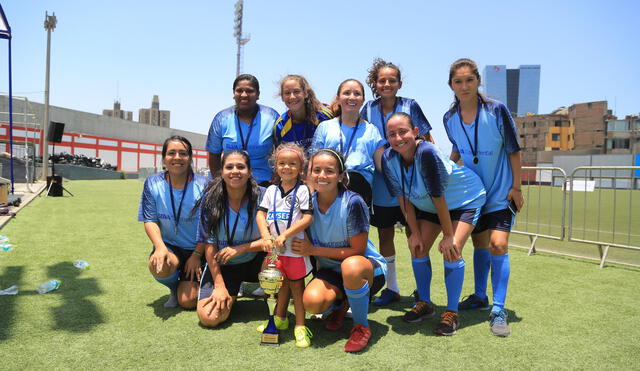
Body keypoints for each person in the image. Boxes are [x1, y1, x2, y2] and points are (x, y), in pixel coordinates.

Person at [381, 113, 486, 336]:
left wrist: (449, 236)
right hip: (430, 205)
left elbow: (439, 196)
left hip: (464, 200)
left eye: (403, 132)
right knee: (417, 246)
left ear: (415, 132)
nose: (398, 138)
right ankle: (425, 303)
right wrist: (415, 232)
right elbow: (402, 197)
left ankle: (451, 312)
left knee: (452, 249)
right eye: (392, 134)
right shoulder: (389, 158)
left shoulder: (426, 152)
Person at [443, 58, 524, 337]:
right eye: (458, 81)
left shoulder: (496, 110)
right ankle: (479, 296)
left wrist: (517, 187)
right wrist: (445, 172)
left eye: (469, 80)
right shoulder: (449, 118)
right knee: (479, 244)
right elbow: (457, 150)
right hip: (472, 194)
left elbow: (513, 149)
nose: (464, 86)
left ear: (478, 81)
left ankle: (498, 309)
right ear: (451, 85)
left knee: (497, 245)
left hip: (501, 191)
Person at [292, 149, 387, 353]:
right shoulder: (306, 203)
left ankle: (361, 327)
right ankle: (342, 304)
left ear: (341, 176)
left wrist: (312, 249)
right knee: (312, 303)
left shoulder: (353, 202)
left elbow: (357, 251)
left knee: (351, 267)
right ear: (309, 173)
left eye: (329, 171)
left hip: (365, 268)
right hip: (332, 271)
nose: (322, 176)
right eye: (316, 170)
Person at [361, 58, 433, 306]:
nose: (387, 84)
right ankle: (392, 288)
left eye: (392, 80)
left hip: (411, 184)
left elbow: (427, 138)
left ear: (400, 83)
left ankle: (422, 293)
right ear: (375, 83)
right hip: (382, 186)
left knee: (416, 234)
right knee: (385, 234)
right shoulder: (367, 109)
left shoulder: (410, 106)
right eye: (382, 80)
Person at [195, 150, 269, 327]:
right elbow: (210, 246)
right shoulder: (211, 199)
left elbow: (273, 239)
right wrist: (219, 285)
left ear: (249, 171)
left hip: (257, 260)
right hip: (225, 263)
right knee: (209, 318)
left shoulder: (264, 195)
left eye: (240, 167)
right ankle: (231, 291)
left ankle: (276, 301)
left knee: (278, 261)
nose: (235, 171)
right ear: (221, 172)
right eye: (229, 167)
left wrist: (241, 248)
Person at [138, 136, 209, 309]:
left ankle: (194, 283)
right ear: (164, 158)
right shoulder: (152, 183)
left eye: (183, 153)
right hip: (170, 246)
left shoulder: (204, 184)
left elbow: (209, 226)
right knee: (158, 265)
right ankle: (173, 288)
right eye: (171, 153)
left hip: (197, 248)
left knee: (188, 301)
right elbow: (150, 219)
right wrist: (160, 247)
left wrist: (197, 255)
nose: (177, 157)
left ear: (190, 158)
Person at [255, 143, 314, 348]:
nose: (286, 167)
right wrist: (265, 235)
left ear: (300, 167)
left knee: (297, 288)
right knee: (277, 287)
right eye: (282, 163)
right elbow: (261, 213)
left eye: (292, 164)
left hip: (294, 249)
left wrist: (285, 235)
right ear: (275, 166)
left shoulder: (303, 190)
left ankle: (300, 326)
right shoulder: (271, 190)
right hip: (275, 251)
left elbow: (307, 218)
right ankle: (279, 318)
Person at [310, 79, 385, 207]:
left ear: (363, 100)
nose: (352, 97)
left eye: (357, 94)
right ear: (338, 98)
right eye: (346, 93)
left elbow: (383, 166)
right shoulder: (325, 127)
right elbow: (313, 163)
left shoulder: (372, 130)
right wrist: (311, 195)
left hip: (360, 193)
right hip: (327, 191)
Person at [206, 74, 279, 186]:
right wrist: (218, 183)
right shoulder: (222, 118)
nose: (244, 95)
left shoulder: (271, 117)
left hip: (264, 184)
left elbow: (283, 148)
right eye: (239, 90)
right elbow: (214, 154)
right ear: (233, 94)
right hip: (231, 184)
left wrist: (277, 174)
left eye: (250, 91)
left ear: (258, 94)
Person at [273, 74, 334, 151]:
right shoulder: (280, 126)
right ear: (282, 97)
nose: (292, 97)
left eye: (296, 91)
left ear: (305, 93)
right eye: (287, 93)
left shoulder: (324, 116)